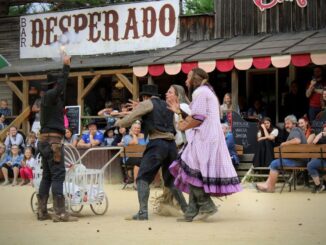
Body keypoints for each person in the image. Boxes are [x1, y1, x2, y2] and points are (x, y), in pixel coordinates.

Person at [168, 68, 242, 222]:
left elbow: (198, 119)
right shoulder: (208, 91)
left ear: (194, 78)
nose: (186, 80)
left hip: (204, 137)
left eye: (188, 77)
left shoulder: (200, 92)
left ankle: (206, 205)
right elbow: (197, 115)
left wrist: (182, 126)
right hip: (209, 136)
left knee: (190, 169)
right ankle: (191, 212)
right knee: (195, 173)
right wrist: (179, 113)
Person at [115, 84, 188, 221]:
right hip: (171, 145)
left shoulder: (147, 103)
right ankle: (186, 209)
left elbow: (132, 117)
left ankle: (143, 212)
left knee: (142, 177)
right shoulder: (166, 105)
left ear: (145, 96)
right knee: (171, 181)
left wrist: (118, 123)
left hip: (157, 144)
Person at [37, 54, 77, 222]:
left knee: (47, 176)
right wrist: (66, 67)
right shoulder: (51, 96)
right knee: (58, 176)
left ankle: (42, 212)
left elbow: (61, 89)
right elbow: (61, 86)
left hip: (45, 141)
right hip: (53, 142)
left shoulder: (48, 99)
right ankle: (60, 213)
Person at [255, 115, 307, 193]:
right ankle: (267, 184)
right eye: (285, 124)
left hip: (300, 161)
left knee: (274, 163)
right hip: (299, 159)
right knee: (275, 163)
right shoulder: (297, 130)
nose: (286, 126)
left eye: (288, 124)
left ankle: (270, 188)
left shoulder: (295, 130)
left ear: (294, 123)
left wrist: (284, 143)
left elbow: (297, 141)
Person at [119, 120, 148, 189]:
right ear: (131, 129)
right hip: (129, 158)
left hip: (142, 157)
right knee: (138, 160)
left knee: (142, 160)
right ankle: (136, 182)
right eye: (135, 128)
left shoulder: (145, 137)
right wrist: (134, 135)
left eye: (138, 128)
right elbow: (135, 142)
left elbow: (148, 145)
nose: (137, 129)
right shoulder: (126, 137)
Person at [307, 125, 326, 193]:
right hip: (322, 161)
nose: (324, 132)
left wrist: (321, 134)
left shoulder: (323, 139)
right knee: (318, 165)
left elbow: (314, 142)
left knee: (311, 165)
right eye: (324, 131)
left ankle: (318, 186)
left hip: (323, 162)